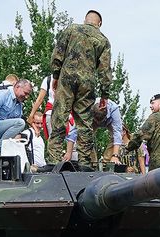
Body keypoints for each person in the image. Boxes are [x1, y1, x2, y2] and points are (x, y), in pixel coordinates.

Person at [47, 10, 112, 165]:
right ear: (100, 24)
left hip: (67, 78)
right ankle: (85, 161)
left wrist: (55, 76)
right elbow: (105, 70)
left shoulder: (71, 29)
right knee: (85, 122)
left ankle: (54, 160)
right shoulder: (103, 40)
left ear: (85, 20)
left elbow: (58, 54)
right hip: (87, 83)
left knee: (59, 117)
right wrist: (105, 95)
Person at [0, 79, 32, 151]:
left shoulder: (19, 106)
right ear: (17, 87)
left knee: (21, 133)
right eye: (25, 93)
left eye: (28, 95)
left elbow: (13, 129)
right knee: (20, 123)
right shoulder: (1, 95)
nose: (26, 97)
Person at [89, 99, 124, 171]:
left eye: (100, 121)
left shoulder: (114, 109)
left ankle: (108, 161)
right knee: (86, 136)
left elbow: (117, 132)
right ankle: (92, 162)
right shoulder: (88, 106)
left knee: (116, 137)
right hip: (92, 121)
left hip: (109, 122)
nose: (99, 124)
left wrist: (115, 155)